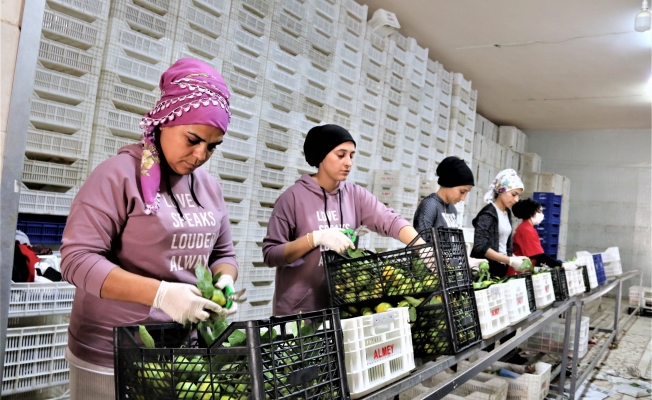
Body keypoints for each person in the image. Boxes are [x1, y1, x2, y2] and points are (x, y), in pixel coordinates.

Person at [60, 58, 241, 399]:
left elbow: (223, 253)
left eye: (212, 146)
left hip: (178, 349)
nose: (201, 154)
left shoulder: (208, 188)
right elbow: (76, 260)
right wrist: (159, 294)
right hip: (109, 352)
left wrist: (225, 280)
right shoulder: (118, 175)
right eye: (193, 139)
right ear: (165, 121)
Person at [262, 124, 426, 316]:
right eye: (341, 155)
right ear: (321, 155)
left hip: (342, 310)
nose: (348, 162)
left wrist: (422, 248)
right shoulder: (292, 198)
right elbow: (271, 254)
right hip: (298, 312)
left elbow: (390, 220)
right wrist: (314, 238)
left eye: (351, 155)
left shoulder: (355, 195)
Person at [471, 169, 529, 277]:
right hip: (486, 271)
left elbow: (502, 244)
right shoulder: (488, 214)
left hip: (501, 268)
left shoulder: (506, 212)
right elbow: (480, 247)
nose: (516, 200)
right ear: (501, 190)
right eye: (513, 194)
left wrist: (514, 258)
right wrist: (509, 260)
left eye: (518, 196)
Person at [413, 156, 475, 241]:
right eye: (462, 191)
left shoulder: (452, 209)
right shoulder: (430, 205)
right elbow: (421, 243)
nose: (463, 198)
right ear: (450, 182)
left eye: (467, 193)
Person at [512, 198, 562, 267]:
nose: (542, 215)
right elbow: (538, 255)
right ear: (532, 213)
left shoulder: (525, 227)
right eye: (540, 212)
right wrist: (561, 265)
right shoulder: (526, 230)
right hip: (520, 270)